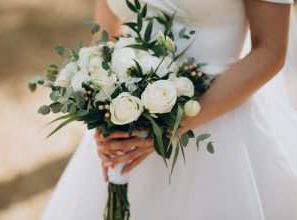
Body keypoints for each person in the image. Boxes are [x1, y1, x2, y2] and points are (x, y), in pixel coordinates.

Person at [41, 0, 297, 219]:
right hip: (128, 129)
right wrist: (106, 111)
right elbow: (105, 38)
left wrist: (169, 127)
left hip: (222, 132)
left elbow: (271, 50)